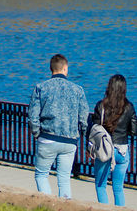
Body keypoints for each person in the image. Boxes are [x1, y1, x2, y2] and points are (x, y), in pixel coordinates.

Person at [28, 54, 89, 199]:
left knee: (42, 174)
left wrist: (37, 133)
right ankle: (66, 205)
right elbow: (84, 118)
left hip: (48, 138)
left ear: (51, 69)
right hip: (70, 141)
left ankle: (49, 205)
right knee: (64, 178)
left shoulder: (41, 88)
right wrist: (84, 137)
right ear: (65, 68)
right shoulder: (78, 90)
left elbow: (33, 116)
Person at [88, 74, 137, 206]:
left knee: (101, 186)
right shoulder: (129, 107)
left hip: (105, 149)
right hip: (122, 150)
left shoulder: (101, 105)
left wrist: (88, 148)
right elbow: (134, 131)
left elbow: (94, 129)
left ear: (109, 87)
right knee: (118, 188)